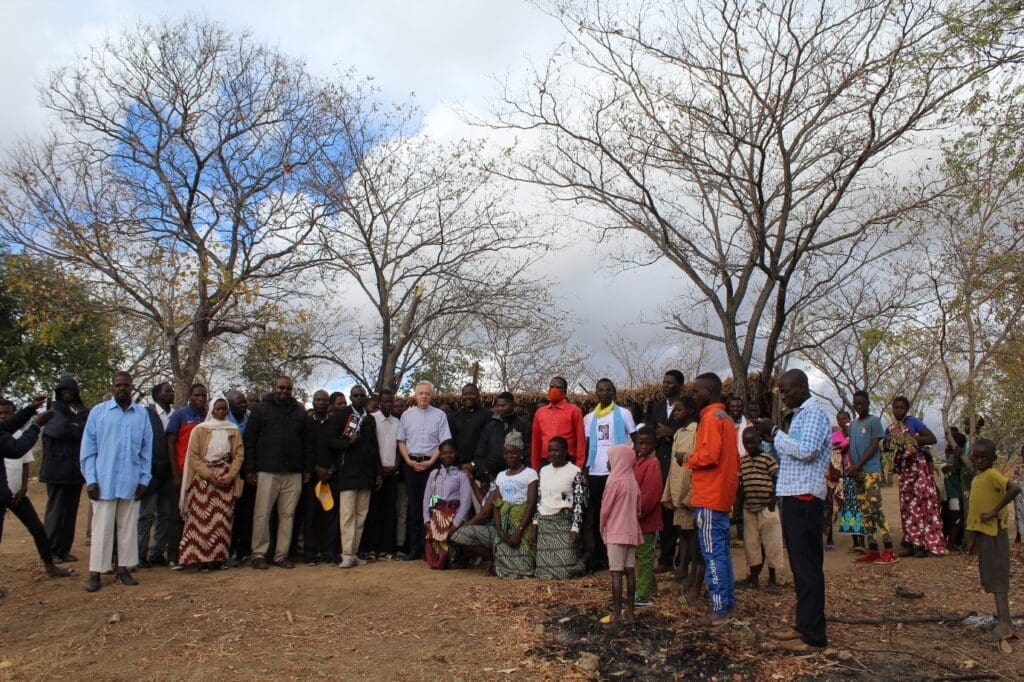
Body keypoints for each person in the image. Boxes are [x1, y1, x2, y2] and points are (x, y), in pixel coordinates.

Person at [757, 369, 832, 653]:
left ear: (802, 386)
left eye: (787, 389)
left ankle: (814, 637)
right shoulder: (799, 415)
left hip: (805, 498)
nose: (783, 394)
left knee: (808, 568)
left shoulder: (813, 414)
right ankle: (803, 624)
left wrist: (776, 433)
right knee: (800, 568)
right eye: (781, 390)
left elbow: (807, 451)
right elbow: (791, 452)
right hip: (792, 496)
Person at [80, 371, 153, 592]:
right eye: (118, 385)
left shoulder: (141, 415)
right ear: (112, 387)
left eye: (126, 385)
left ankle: (123, 569)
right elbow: (88, 449)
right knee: (101, 528)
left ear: (132, 387)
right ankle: (96, 573)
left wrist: (144, 479)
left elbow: (146, 450)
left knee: (128, 527)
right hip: (104, 480)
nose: (122, 388)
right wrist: (91, 480)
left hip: (131, 481)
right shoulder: (98, 413)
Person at [684, 373, 740, 626]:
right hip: (722, 495)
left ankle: (719, 609)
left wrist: (686, 459)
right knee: (722, 552)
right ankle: (727, 603)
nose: (694, 395)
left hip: (709, 495)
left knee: (713, 553)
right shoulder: (726, 418)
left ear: (708, 390)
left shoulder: (710, 418)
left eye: (697, 391)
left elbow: (709, 456)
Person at [0, 398, 71, 587]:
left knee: (38, 529)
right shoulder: (7, 436)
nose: (5, 417)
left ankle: (50, 566)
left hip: (13, 493)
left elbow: (9, 425)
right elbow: (16, 449)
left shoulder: (8, 428)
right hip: (3, 495)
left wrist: (31, 409)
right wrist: (37, 424)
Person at [244, 376, 313, 570]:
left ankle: (281, 555)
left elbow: (307, 443)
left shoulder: (299, 413)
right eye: (281, 387)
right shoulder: (260, 410)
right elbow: (249, 441)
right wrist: (250, 468)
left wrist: (306, 468)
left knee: (287, 515)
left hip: (293, 471)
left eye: (288, 388)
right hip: (267, 470)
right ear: (274, 388)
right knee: (262, 514)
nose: (284, 391)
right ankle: (258, 554)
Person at [177, 397, 244, 570]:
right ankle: (200, 559)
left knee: (222, 520)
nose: (221, 412)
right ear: (212, 410)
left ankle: (218, 558)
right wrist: (208, 475)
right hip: (203, 480)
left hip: (225, 478)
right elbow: (193, 456)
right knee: (200, 520)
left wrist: (229, 476)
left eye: (224, 409)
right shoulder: (200, 430)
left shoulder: (233, 430)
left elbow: (238, 455)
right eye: (218, 409)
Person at [966, 438, 1019, 644]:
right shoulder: (979, 475)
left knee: (997, 577)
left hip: (995, 533)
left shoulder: (992, 474)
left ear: (992, 459)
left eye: (983, 457)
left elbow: (1015, 489)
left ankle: (1005, 625)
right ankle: (1004, 619)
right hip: (984, 533)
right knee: (990, 576)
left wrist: (994, 510)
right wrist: (972, 539)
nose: (978, 460)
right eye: (975, 456)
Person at [321, 385, 381, 569]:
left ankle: (354, 553)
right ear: (351, 396)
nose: (359, 398)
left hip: (366, 474)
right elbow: (329, 440)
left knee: (361, 515)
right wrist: (348, 443)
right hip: (347, 473)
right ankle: (346, 554)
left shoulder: (369, 419)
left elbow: (374, 446)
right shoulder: (341, 415)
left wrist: (378, 472)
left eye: (362, 395)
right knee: (347, 515)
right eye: (356, 395)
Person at [583, 378, 636, 571]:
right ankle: (600, 556)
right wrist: (586, 471)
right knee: (598, 513)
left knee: (617, 514)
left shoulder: (623, 414)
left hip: (617, 473)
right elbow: (587, 445)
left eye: (607, 390)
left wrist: (625, 462)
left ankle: (619, 555)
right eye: (600, 390)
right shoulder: (589, 418)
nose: (603, 393)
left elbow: (635, 441)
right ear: (596, 393)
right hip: (596, 471)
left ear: (613, 392)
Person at [397, 381, 451, 561]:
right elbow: (401, 441)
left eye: (427, 393)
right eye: (420, 393)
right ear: (415, 394)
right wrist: (409, 461)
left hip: (432, 466)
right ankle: (413, 549)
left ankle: (430, 549)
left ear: (432, 395)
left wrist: (431, 462)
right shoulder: (406, 415)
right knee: (413, 506)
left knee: (433, 507)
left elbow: (443, 443)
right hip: (411, 465)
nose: (423, 396)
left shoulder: (440, 415)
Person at [885, 396, 945, 557]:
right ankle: (911, 543)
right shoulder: (891, 428)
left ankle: (923, 545)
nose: (898, 410)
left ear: (906, 409)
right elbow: (887, 447)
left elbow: (932, 438)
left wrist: (910, 440)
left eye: (901, 408)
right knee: (907, 507)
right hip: (904, 471)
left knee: (920, 505)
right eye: (895, 408)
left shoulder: (914, 423)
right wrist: (893, 445)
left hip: (918, 469)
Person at [39, 376, 89, 565]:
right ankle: (50, 551)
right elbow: (56, 430)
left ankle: (64, 549)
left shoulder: (83, 411)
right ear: (58, 392)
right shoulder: (53, 408)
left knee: (71, 512)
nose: (66, 393)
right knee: (56, 511)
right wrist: (74, 427)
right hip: (56, 469)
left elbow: (86, 430)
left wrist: (72, 427)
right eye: (63, 391)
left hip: (75, 470)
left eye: (69, 390)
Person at [847, 391, 897, 564]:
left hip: (871, 472)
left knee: (875, 509)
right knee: (865, 511)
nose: (859, 406)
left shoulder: (874, 421)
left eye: (862, 403)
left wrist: (858, 465)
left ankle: (889, 549)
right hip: (858, 474)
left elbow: (874, 445)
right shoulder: (852, 425)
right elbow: (850, 448)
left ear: (868, 403)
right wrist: (853, 468)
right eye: (856, 403)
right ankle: (873, 549)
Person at [165, 383, 209, 569]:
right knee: (178, 514)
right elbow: (170, 442)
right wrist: (175, 472)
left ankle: (193, 554)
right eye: (197, 395)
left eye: (203, 396)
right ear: (190, 396)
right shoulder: (180, 415)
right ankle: (173, 556)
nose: (200, 399)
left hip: (202, 475)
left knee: (198, 516)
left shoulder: (208, 416)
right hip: (182, 472)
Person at [661, 397, 702, 589]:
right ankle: (682, 569)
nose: (674, 413)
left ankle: (694, 573)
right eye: (674, 410)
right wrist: (668, 493)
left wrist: (692, 494)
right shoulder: (678, 433)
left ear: (690, 410)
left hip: (689, 492)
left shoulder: (696, 431)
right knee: (682, 532)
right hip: (678, 491)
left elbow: (696, 465)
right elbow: (672, 466)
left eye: (678, 410)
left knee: (691, 533)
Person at [646, 370, 684, 573]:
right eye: (664, 382)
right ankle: (666, 559)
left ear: (680, 385)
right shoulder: (659, 407)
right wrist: (658, 435)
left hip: (680, 465)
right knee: (666, 511)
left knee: (681, 514)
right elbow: (651, 430)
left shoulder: (687, 405)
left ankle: (682, 560)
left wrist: (672, 433)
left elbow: (691, 429)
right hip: (661, 463)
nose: (665, 386)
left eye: (670, 383)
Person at [600, 444, 642, 625]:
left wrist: (602, 528)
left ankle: (617, 613)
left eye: (610, 459)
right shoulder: (633, 481)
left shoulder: (614, 481)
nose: (608, 463)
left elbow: (605, 509)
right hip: (632, 531)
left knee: (616, 573)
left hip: (616, 532)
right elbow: (639, 510)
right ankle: (630, 611)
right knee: (630, 571)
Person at [737, 427, 783, 591]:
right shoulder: (743, 461)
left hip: (767, 507)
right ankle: (753, 579)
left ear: (759, 442)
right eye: (745, 442)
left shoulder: (767, 459)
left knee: (771, 543)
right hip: (749, 508)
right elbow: (741, 486)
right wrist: (738, 507)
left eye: (752, 442)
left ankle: (772, 579)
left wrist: (773, 500)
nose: (749, 445)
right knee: (751, 545)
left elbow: (777, 479)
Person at [534, 436, 587, 579]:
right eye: (550, 450)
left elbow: (578, 502)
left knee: (566, 571)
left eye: (556, 451)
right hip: (545, 524)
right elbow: (540, 499)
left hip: (564, 522)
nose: (552, 454)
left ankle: (583, 563)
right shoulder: (543, 471)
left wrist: (575, 527)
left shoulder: (575, 471)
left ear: (565, 451)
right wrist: (535, 522)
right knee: (542, 573)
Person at [492, 431, 538, 579]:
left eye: (513, 452)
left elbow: (531, 504)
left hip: (523, 524)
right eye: (506, 453)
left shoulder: (530, 474)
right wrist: (499, 530)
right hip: (504, 525)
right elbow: (496, 504)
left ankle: (521, 569)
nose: (509, 456)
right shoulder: (500, 476)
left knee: (525, 564)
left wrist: (519, 531)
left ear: (521, 453)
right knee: (502, 555)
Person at [137, 382, 173, 568]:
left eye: (171, 390)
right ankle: (139, 553)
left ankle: (157, 552)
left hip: (168, 473)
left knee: (165, 514)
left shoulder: (175, 414)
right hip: (150, 472)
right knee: (145, 515)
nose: (171, 393)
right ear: (157, 394)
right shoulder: (146, 413)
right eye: (167, 391)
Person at [422, 440, 473, 569]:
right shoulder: (434, 474)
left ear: (456, 454)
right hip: (436, 518)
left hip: (453, 518)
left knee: (452, 554)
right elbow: (427, 498)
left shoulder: (462, 475)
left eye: (451, 452)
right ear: (439, 455)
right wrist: (427, 520)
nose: (447, 455)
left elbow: (466, 502)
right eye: (444, 453)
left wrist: (455, 525)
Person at [366, 389, 401, 560]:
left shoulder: (398, 422)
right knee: (374, 511)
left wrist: (395, 466)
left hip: (393, 473)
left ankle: (386, 549)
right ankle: (371, 548)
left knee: (389, 512)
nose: (388, 404)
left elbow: (400, 447)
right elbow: (371, 448)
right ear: (380, 402)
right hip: (376, 474)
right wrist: (378, 470)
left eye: (390, 401)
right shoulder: (372, 419)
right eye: (385, 401)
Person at [297, 390, 331, 565]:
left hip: (329, 478)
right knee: (310, 515)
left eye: (325, 400)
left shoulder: (333, 423)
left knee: (326, 515)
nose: (322, 403)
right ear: (313, 401)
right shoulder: (306, 423)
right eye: (319, 400)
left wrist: (330, 470)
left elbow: (336, 449)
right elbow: (304, 448)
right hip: (311, 477)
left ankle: (327, 552)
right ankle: (309, 554)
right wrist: (315, 468)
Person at [450, 458, 501, 568]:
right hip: (489, 526)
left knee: (458, 534)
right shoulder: (493, 483)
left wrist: (466, 525)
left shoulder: (499, 484)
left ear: (487, 472)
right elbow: (484, 503)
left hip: (495, 529)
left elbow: (485, 513)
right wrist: (472, 483)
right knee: (461, 533)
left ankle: (496, 560)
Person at [633, 427, 664, 606]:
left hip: (646, 519)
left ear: (654, 444)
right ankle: (650, 587)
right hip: (638, 517)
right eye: (640, 443)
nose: (643, 446)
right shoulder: (639, 461)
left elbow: (651, 493)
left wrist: (638, 512)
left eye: (647, 443)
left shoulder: (652, 463)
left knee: (645, 555)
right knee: (642, 553)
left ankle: (643, 594)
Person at [225, 389, 255, 565]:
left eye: (244, 402)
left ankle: (243, 550)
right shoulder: (223, 420)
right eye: (239, 403)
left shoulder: (250, 419)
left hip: (246, 472)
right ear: (230, 405)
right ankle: (227, 550)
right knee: (228, 513)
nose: (244, 405)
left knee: (246, 512)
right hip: (227, 473)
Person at [530, 376, 586, 470]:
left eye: (558, 387)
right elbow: (536, 442)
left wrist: (579, 465)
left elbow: (580, 441)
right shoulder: (540, 412)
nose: (554, 390)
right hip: (545, 461)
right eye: (551, 387)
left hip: (567, 460)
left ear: (565, 391)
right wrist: (535, 467)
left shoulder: (574, 411)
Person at [473, 391, 531, 475]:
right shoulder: (490, 426)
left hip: (517, 473)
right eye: (498, 406)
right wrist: (485, 472)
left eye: (503, 405)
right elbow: (481, 451)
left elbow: (527, 451)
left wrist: (522, 471)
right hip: (493, 474)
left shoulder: (523, 424)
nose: (500, 408)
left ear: (512, 405)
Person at [832, 411, 865, 552]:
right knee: (847, 507)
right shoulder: (836, 435)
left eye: (844, 418)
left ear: (850, 419)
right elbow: (834, 448)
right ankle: (855, 542)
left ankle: (862, 543)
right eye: (839, 419)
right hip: (844, 475)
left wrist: (843, 445)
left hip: (857, 473)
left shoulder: (856, 432)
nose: (842, 421)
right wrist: (845, 444)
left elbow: (857, 445)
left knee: (859, 506)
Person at [448, 384, 491, 467]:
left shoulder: (488, 415)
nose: (468, 396)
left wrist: (473, 464)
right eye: (465, 394)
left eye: (472, 394)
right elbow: (451, 441)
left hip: (480, 465)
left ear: (478, 396)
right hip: (458, 465)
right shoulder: (454, 416)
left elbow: (489, 443)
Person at [1010, 445, 1024, 546]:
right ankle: (1019, 535)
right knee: (1019, 515)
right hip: (1019, 494)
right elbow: (1014, 481)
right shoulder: (1018, 467)